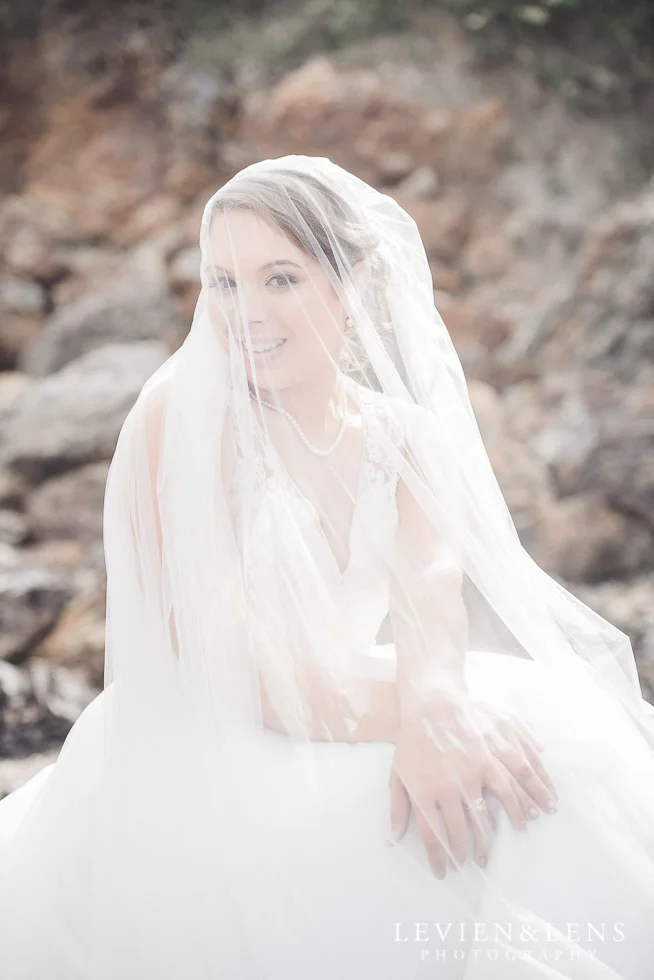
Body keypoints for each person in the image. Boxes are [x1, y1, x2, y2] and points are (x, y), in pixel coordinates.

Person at [0, 155, 653, 980]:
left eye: (279, 279)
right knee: (429, 815)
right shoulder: (184, 422)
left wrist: (439, 704)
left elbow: (431, 592)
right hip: (207, 742)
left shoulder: (404, 438)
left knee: (563, 755)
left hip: (357, 693)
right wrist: (412, 722)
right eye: (223, 283)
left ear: (353, 281)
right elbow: (228, 658)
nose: (244, 312)